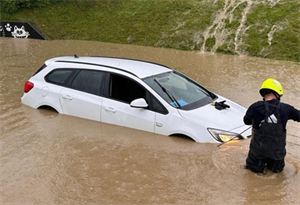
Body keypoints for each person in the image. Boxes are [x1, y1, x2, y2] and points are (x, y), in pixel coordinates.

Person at [244, 78, 300, 173]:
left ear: (263, 93)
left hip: (257, 154)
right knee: (277, 179)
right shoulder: (286, 109)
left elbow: (246, 121)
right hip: (277, 155)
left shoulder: (255, 107)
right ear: (277, 94)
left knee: (251, 176)